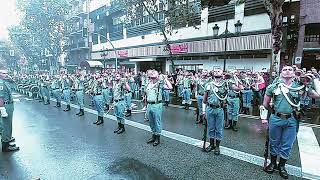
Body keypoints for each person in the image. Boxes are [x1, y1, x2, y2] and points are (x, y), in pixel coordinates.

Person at [262, 66, 320, 179]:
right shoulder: (273, 87)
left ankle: (282, 166)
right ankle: (273, 163)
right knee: (274, 143)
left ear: (294, 74)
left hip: (292, 120)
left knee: (287, 145)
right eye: (284, 69)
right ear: (280, 73)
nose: (287, 71)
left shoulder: (300, 87)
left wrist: (314, 80)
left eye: (290, 69)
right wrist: (273, 113)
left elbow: (318, 95)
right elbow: (265, 104)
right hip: (276, 118)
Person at [145, 70, 172, 146]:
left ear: (158, 75)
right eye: (152, 72)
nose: (153, 72)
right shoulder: (148, 83)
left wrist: (165, 78)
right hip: (149, 104)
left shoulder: (160, 84)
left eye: (155, 72)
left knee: (157, 121)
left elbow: (170, 87)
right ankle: (153, 135)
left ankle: (157, 138)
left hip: (157, 105)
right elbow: (146, 95)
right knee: (151, 121)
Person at [0, 64, 20, 152]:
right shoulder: (1, 83)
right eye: (3, 73)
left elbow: (14, 84)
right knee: (6, 125)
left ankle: (7, 139)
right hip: (6, 105)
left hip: (9, 104)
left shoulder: (5, 81)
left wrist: (9, 77)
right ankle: (5, 145)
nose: (6, 74)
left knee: (8, 124)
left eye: (7, 73)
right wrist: (2, 108)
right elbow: (0, 97)